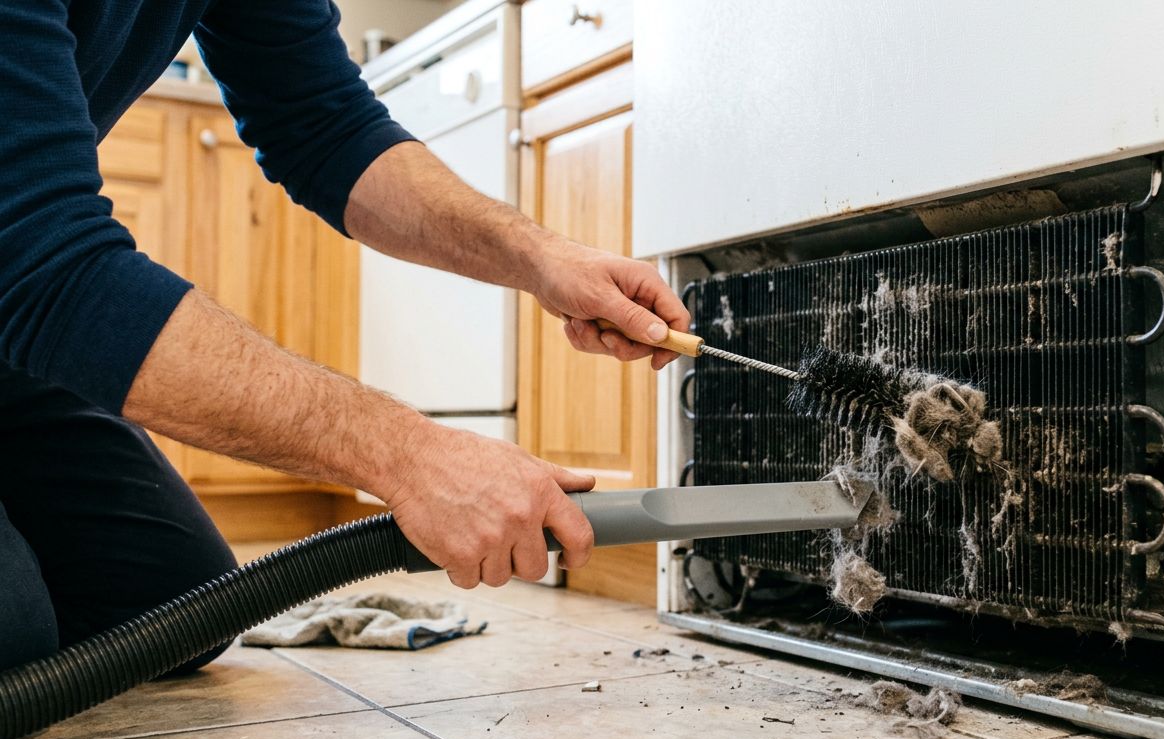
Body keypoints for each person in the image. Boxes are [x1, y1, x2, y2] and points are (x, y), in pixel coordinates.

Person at [0, 1, 690, 672]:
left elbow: (325, 125)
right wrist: (413, 456)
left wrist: (541, 258)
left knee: (166, 610)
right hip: (20, 282)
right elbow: (43, 263)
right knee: (14, 632)